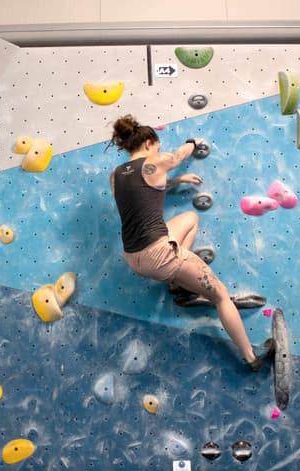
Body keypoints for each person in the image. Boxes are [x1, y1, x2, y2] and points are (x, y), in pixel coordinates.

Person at [108, 114, 274, 370]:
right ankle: (252, 357)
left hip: (133, 257)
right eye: (158, 146)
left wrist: (178, 181)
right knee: (220, 295)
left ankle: (178, 284)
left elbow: (143, 190)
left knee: (189, 218)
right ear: (150, 143)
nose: (160, 151)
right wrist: (193, 142)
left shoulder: (116, 176)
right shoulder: (156, 160)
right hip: (158, 255)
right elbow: (179, 156)